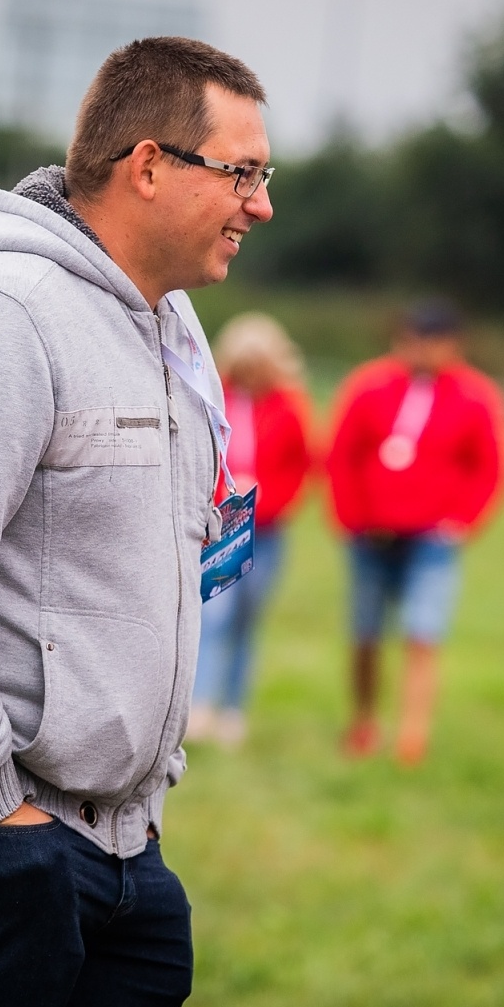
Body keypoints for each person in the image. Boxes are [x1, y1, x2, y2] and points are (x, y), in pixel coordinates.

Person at [0, 37, 273, 1007]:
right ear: (148, 165)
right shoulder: (0, 309)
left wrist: (138, 805)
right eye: (241, 172)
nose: (262, 203)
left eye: (264, 174)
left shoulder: (171, 325)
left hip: (111, 835)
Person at [326, 301, 504, 765]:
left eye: (430, 342)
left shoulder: (476, 396)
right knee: (365, 633)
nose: (419, 351)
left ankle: (412, 736)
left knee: (422, 633)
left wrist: (463, 522)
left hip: (432, 539)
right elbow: (342, 452)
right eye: (410, 340)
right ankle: (364, 722)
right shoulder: (369, 386)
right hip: (370, 534)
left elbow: (489, 467)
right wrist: (349, 515)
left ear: (453, 345)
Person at [188, 312, 314, 747]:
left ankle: (233, 709)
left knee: (246, 620)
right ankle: (200, 705)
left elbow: (301, 466)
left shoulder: (288, 406)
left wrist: (270, 504)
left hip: (267, 529)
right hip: (220, 525)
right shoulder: (214, 396)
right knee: (214, 613)